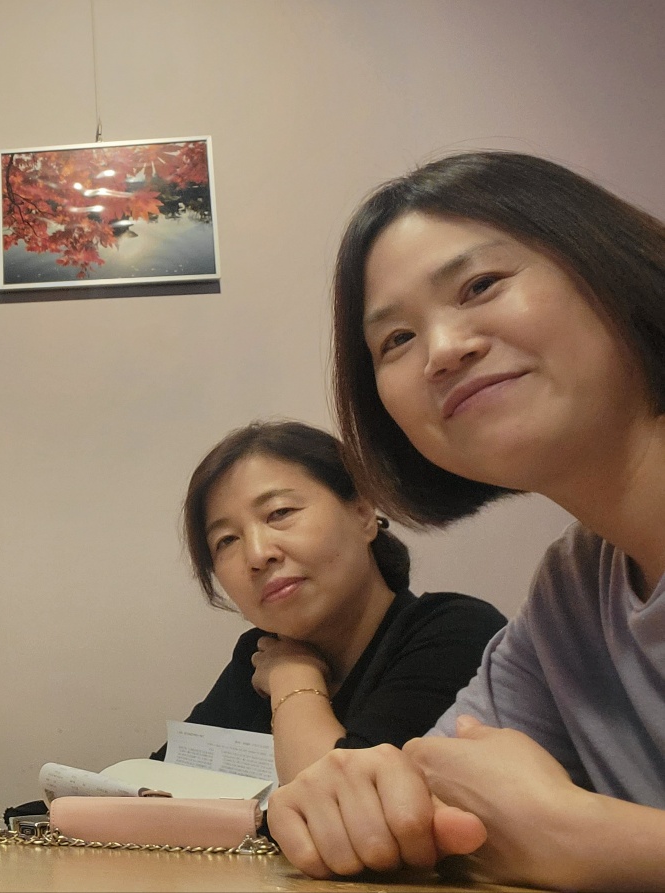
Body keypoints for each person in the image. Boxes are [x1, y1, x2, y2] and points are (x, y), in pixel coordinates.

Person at [267, 151, 665, 890]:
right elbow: (441, 796)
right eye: (396, 340)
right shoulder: (574, 590)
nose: (443, 352)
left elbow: (539, 830)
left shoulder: (444, 624)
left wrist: (581, 838)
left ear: (609, 264)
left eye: (480, 285)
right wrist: (353, 801)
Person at [161, 420, 504, 783]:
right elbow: (156, 785)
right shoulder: (259, 654)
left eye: (280, 513)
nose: (257, 554)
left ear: (363, 513)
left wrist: (292, 675)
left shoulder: (457, 631)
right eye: (227, 540)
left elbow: (342, 803)